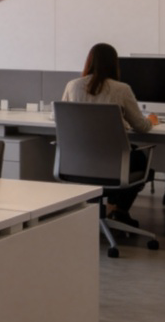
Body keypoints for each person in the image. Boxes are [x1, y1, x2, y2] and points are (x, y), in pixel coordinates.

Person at [62, 42, 157, 226]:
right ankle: (118, 211)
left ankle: (103, 209)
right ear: (114, 64)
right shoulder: (121, 89)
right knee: (141, 161)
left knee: (126, 159)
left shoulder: (72, 86)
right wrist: (151, 120)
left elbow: (59, 116)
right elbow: (141, 126)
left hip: (77, 165)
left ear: (88, 61)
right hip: (113, 166)